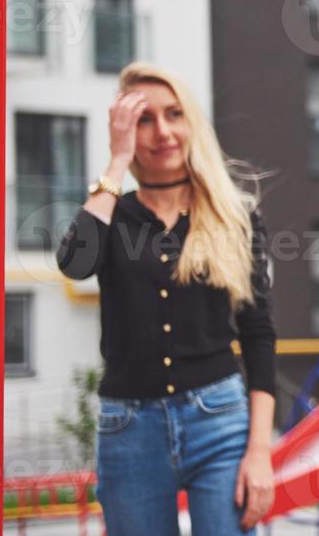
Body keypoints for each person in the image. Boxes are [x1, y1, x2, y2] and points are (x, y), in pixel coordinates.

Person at [56, 62, 276, 534]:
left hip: (220, 421)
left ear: (191, 121)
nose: (162, 131)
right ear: (125, 132)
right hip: (129, 429)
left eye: (173, 114)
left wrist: (260, 452)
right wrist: (115, 163)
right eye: (143, 119)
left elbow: (259, 336)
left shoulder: (233, 216)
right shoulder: (112, 214)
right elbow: (75, 263)